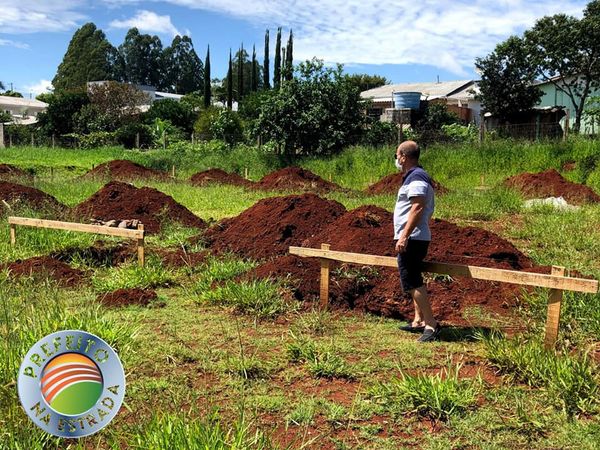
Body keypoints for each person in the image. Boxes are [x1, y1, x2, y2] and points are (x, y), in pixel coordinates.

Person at [393, 140, 439, 342]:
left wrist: (404, 236)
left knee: (411, 280)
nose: (396, 159)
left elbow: (417, 207)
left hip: (413, 237)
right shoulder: (413, 176)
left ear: (404, 157)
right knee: (413, 277)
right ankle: (418, 320)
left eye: (397, 155)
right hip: (413, 236)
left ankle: (431, 324)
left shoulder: (417, 176)